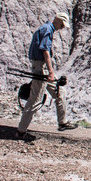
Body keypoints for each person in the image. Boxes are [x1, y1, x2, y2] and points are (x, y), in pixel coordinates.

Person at [16, 12, 77, 141]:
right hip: (41, 68)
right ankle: (21, 131)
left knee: (60, 91)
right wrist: (51, 72)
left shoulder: (45, 28)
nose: (61, 28)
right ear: (58, 22)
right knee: (35, 99)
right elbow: (45, 52)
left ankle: (62, 122)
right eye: (62, 25)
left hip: (40, 67)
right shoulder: (47, 30)